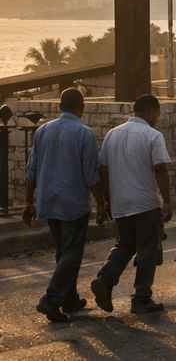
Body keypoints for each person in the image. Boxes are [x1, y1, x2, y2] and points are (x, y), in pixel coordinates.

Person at [23, 88, 106, 322]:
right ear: (82, 107)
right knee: (71, 254)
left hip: (48, 201)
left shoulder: (42, 131)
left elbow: (32, 170)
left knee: (63, 252)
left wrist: (29, 202)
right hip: (73, 204)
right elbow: (91, 175)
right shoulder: (84, 133)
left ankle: (69, 298)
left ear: (60, 106)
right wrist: (101, 202)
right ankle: (51, 300)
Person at [91, 94, 172, 316]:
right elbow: (160, 169)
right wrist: (167, 201)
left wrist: (107, 199)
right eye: (157, 112)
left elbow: (103, 169)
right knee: (147, 250)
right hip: (145, 203)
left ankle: (105, 280)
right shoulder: (152, 135)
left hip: (120, 203)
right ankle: (141, 298)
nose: (158, 117)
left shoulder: (112, 135)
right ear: (151, 111)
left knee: (125, 245)